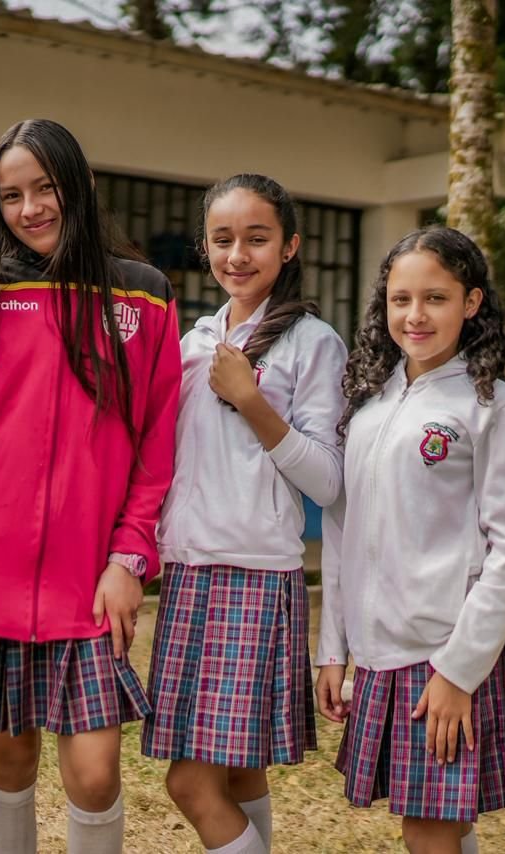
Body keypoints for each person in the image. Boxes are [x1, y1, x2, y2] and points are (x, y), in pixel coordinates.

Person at [0, 118, 182, 854]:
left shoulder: (147, 297)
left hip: (88, 578)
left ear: (83, 186)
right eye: (11, 195)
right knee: (8, 755)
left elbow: (157, 442)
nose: (30, 207)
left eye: (46, 188)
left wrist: (130, 558)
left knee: (95, 774)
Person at [316, 226, 505, 854]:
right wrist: (334, 648)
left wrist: (458, 672)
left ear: (471, 303)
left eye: (435, 298)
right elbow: (342, 530)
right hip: (380, 653)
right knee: (439, 824)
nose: (414, 315)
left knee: (429, 829)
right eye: (400, 299)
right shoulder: (368, 406)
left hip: (447, 652)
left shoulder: (493, 408)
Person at [143, 173, 346, 854]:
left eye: (256, 238)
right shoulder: (193, 342)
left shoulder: (314, 343)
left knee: (189, 783)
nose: (238, 254)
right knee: (238, 767)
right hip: (190, 574)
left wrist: (255, 402)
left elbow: (327, 478)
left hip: (253, 578)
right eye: (222, 239)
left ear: (288, 247)